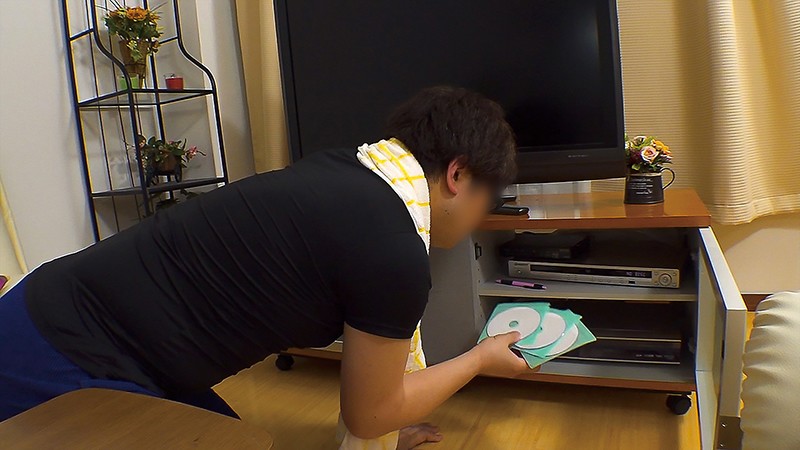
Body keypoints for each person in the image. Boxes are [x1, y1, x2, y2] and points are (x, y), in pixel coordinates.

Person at [0, 86, 534, 448]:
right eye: (487, 200)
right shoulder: (394, 248)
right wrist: (477, 361)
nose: (481, 218)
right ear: (458, 175)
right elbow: (369, 413)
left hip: (51, 313)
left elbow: (373, 398)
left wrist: (389, 418)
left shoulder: (347, 171)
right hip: (56, 359)